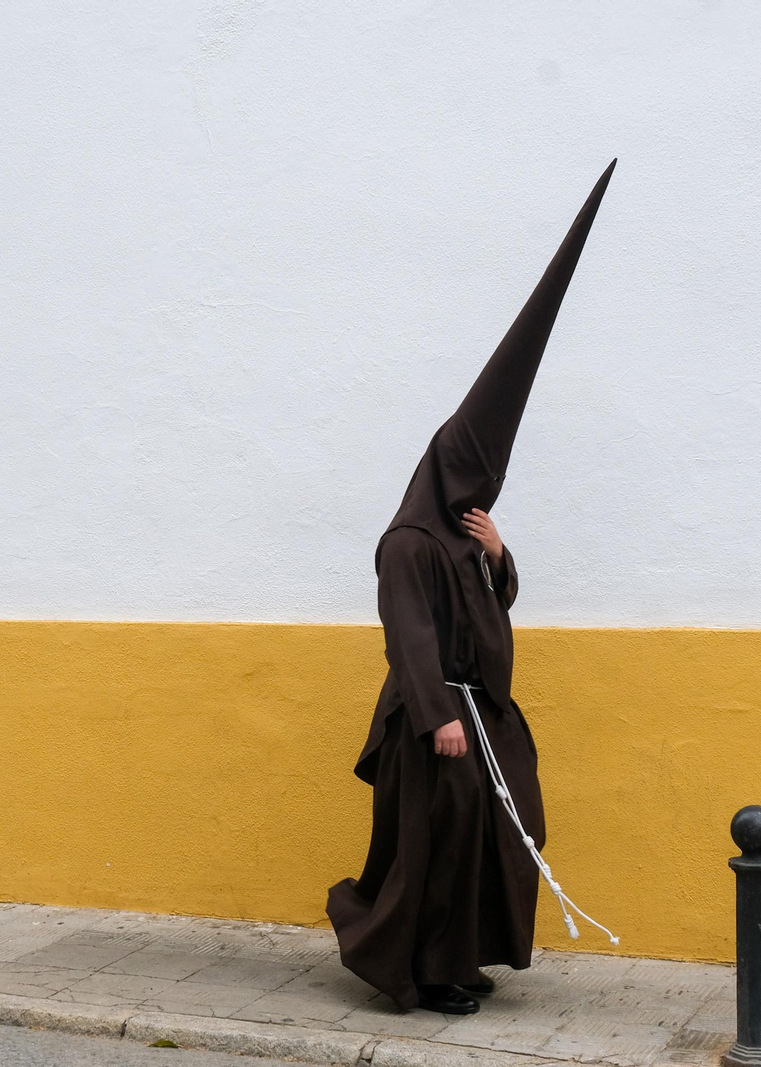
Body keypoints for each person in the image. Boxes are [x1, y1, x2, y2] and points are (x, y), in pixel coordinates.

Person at [326, 161, 616, 1015]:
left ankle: (467, 951)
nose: (485, 490)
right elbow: (409, 637)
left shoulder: (464, 539)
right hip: (435, 724)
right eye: (478, 476)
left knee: (508, 823)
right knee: (442, 844)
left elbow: (491, 606)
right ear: (451, 468)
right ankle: (424, 969)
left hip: (482, 711)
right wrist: (438, 715)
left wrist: (498, 555)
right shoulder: (406, 545)